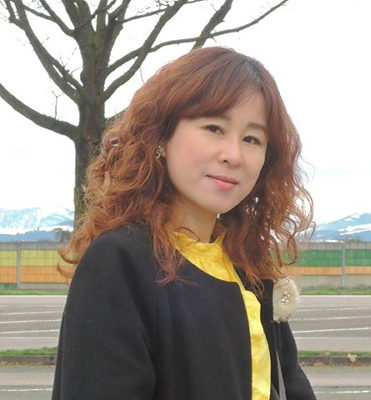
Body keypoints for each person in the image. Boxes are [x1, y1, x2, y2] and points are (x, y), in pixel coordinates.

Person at [52, 46, 316, 400]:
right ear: (161, 136)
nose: (233, 155)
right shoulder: (120, 260)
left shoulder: (246, 267)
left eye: (252, 139)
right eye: (214, 128)